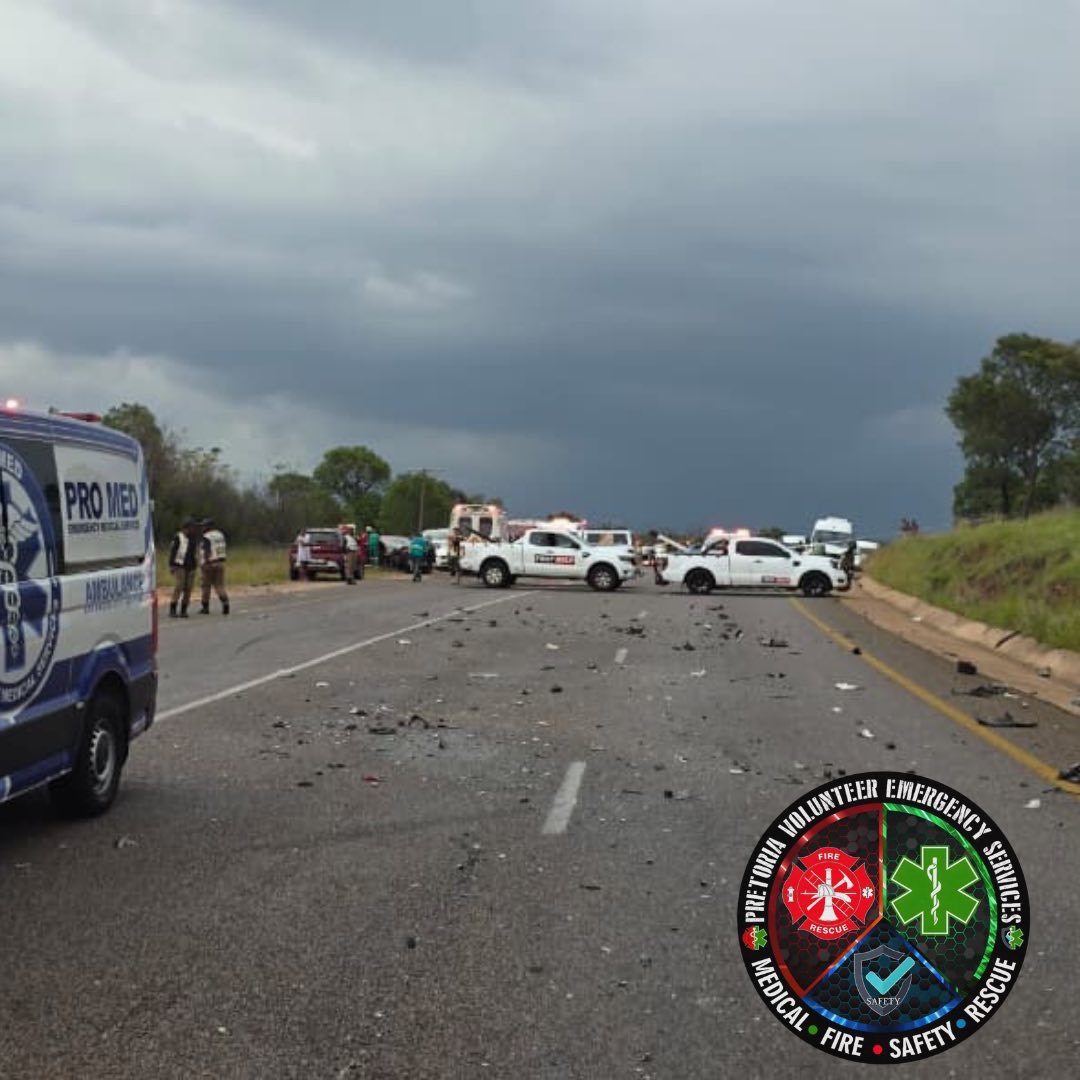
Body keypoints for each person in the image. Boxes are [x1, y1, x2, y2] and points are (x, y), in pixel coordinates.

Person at [168, 517, 199, 617]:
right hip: (179, 565)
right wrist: (171, 565)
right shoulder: (178, 537)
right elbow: (173, 551)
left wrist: (195, 565)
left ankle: (184, 609)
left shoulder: (193, 539)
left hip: (191, 566)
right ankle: (173, 608)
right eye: (191, 527)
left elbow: (195, 553)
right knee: (179, 586)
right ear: (185, 528)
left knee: (188, 589)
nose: (193, 530)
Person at [199, 517, 230, 615]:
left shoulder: (207, 536)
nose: (203, 527)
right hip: (220, 562)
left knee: (206, 586)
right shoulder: (220, 535)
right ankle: (225, 603)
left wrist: (205, 562)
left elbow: (207, 550)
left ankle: (205, 607)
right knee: (219, 585)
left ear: (209, 526)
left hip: (209, 563)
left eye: (204, 525)